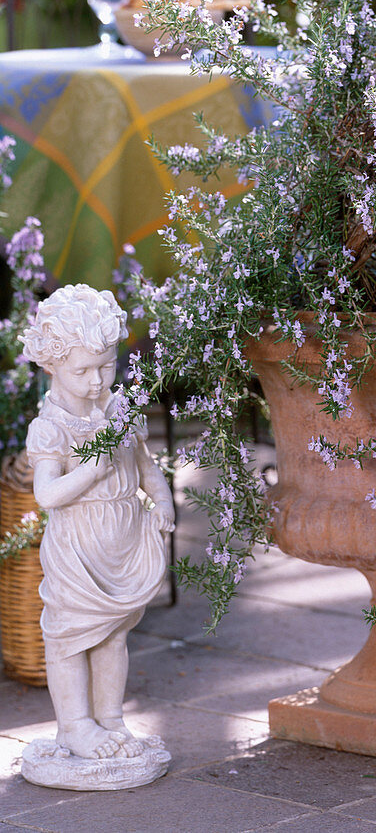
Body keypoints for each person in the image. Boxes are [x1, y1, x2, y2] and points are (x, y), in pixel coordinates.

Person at [22, 284, 174, 761]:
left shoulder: (119, 409)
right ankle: (75, 727)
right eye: (82, 370)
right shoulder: (51, 427)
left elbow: (147, 465)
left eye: (106, 365)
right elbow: (46, 494)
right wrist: (92, 468)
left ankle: (109, 719)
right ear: (51, 365)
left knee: (113, 633)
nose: (96, 380)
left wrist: (163, 500)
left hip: (122, 539)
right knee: (70, 637)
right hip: (78, 547)